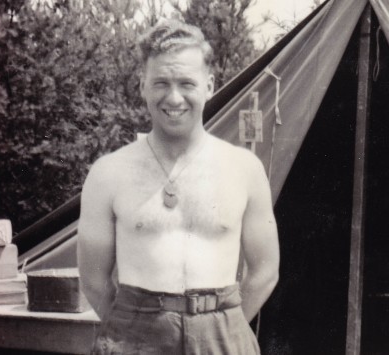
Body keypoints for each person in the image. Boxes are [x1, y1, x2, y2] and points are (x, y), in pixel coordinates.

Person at [77, 18, 279, 354]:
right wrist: (131, 331)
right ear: (142, 85)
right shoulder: (108, 173)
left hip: (222, 332)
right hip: (134, 336)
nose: (174, 97)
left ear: (209, 85)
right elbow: (93, 280)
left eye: (186, 83)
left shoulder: (244, 169)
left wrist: (224, 325)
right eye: (160, 83)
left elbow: (265, 271)